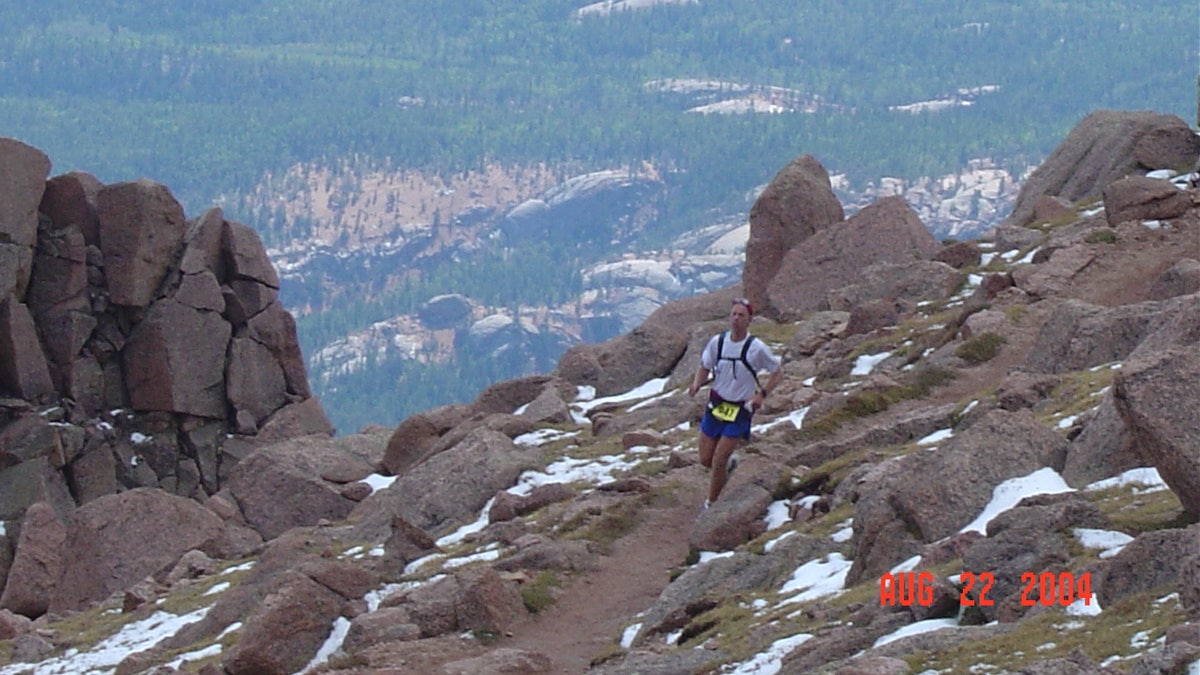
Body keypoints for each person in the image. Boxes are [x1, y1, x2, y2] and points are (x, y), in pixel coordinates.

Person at [687, 297, 782, 509]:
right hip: (717, 405)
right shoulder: (717, 342)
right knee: (705, 460)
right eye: (734, 314)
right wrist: (696, 385)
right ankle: (729, 466)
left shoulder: (756, 348)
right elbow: (704, 366)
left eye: (742, 315)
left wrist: (762, 395)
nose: (736, 319)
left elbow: (777, 371)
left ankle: (712, 503)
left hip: (740, 410)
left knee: (718, 460)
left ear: (749, 320)